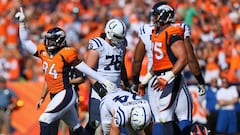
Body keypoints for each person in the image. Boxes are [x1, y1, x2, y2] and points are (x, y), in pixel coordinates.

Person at [15, 7, 116, 135]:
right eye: (48, 38)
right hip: (55, 94)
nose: (48, 42)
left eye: (51, 39)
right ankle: (91, 127)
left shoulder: (66, 53)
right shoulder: (44, 50)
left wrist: (103, 80)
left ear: (59, 40)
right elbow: (25, 42)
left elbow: (85, 68)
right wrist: (22, 23)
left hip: (65, 93)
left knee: (45, 119)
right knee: (76, 129)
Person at [137, 3, 190, 135]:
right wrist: (144, 81)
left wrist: (166, 78)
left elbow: (183, 58)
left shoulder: (172, 32)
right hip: (158, 80)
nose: (154, 18)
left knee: (164, 117)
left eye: (156, 15)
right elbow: (157, 64)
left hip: (169, 79)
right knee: (161, 118)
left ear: (164, 15)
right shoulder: (158, 34)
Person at [84, 18, 130, 134]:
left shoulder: (122, 45)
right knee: (94, 123)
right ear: (109, 32)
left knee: (118, 121)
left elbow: (122, 66)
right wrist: (99, 87)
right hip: (99, 89)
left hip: (116, 89)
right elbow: (87, 70)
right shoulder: (98, 45)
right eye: (117, 37)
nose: (119, 41)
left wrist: (126, 82)